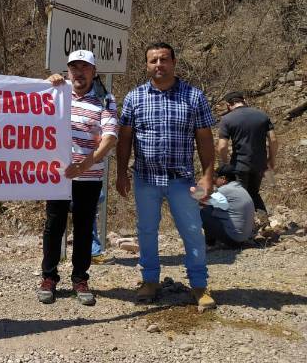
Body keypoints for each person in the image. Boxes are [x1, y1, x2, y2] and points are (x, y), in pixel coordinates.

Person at [116, 42, 217, 312]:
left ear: (173, 62)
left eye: (163, 59)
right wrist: (121, 172)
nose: (158, 65)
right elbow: (124, 138)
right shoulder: (134, 97)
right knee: (147, 231)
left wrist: (208, 176)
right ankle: (150, 281)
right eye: (153, 61)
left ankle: (199, 285)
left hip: (182, 180)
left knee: (193, 231)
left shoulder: (193, 96)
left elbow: (205, 139)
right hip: (145, 178)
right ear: (146, 65)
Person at [40, 50, 118, 306]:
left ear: (94, 72)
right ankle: (48, 278)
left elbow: (110, 137)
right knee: (53, 228)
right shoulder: (57, 93)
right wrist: (47, 84)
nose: (79, 72)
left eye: (85, 67)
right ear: (68, 71)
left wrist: (85, 164)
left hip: (89, 177)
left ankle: (80, 279)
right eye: (74, 67)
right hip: (58, 178)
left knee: (84, 229)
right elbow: (32, 115)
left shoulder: (105, 100)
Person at [217, 91, 278, 213]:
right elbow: (273, 140)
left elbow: (222, 147)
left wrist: (225, 164)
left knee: (239, 197)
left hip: (240, 165)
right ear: (243, 100)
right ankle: (264, 221)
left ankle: (242, 227)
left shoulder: (227, 119)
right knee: (254, 193)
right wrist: (271, 159)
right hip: (260, 164)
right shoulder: (262, 115)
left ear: (228, 105)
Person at [200, 164, 255, 248]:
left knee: (202, 211)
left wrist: (195, 189)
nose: (214, 180)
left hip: (233, 239)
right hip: (243, 237)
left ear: (223, 179)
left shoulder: (225, 190)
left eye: (215, 177)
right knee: (212, 207)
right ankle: (213, 241)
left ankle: (210, 243)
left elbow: (202, 201)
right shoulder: (241, 189)